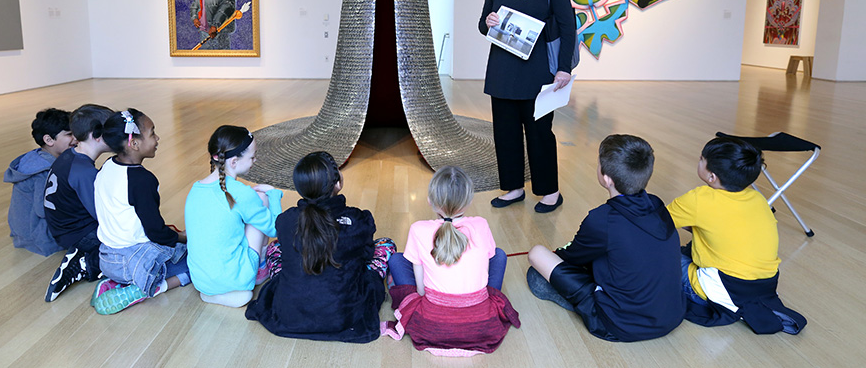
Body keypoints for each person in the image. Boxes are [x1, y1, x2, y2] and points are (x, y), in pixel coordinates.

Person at [526, 134, 684, 342]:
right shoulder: (657, 204)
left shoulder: (602, 219)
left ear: (607, 178)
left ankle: (584, 304)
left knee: (537, 259)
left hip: (620, 325)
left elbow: (572, 258)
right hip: (673, 314)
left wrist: (557, 256)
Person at [245, 151, 395, 343]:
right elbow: (366, 255)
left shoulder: (286, 220)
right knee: (386, 244)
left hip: (290, 314)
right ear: (338, 183)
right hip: (344, 315)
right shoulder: (358, 220)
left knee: (276, 248)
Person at [480, 0, 577, 212]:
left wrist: (564, 68)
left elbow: (568, 26)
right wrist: (488, 23)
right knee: (505, 134)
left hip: (537, 74)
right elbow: (482, 22)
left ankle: (549, 192)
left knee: (539, 134)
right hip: (501, 72)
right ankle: (513, 188)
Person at [666, 137, 806, 334]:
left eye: (701, 159)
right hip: (764, 286)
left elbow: (657, 224)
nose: (698, 161)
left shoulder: (699, 199)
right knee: (691, 246)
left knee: (660, 257)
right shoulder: (758, 199)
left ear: (712, 176)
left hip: (724, 288)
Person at [382, 166, 519, 356]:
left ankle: (394, 284)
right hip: (479, 320)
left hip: (433, 322)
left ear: (430, 201)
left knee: (397, 259)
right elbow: (485, 278)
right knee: (499, 254)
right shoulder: (481, 224)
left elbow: (422, 291)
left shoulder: (418, 229)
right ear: (469, 201)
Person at [91, 109, 191, 315]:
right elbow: (156, 233)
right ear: (134, 143)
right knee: (195, 263)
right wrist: (184, 237)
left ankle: (113, 283)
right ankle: (145, 289)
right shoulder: (142, 180)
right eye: (152, 133)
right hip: (134, 262)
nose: (157, 138)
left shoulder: (107, 166)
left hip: (108, 258)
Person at [184, 126, 282, 308]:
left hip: (200, 281)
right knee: (262, 198)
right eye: (252, 157)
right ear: (234, 162)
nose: (255, 160)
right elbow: (276, 228)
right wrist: (274, 195)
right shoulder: (241, 193)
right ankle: (259, 270)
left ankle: (215, 292)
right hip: (236, 277)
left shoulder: (195, 189)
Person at [43, 103, 114, 302]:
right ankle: (85, 263)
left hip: (62, 229)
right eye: (112, 131)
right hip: (78, 235)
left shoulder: (70, 156)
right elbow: (102, 216)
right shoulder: (84, 171)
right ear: (97, 135)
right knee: (130, 243)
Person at [3, 108, 74, 256]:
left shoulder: (37, 158)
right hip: (37, 236)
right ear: (48, 140)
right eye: (69, 134)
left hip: (25, 231)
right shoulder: (43, 172)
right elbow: (44, 210)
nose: (76, 138)